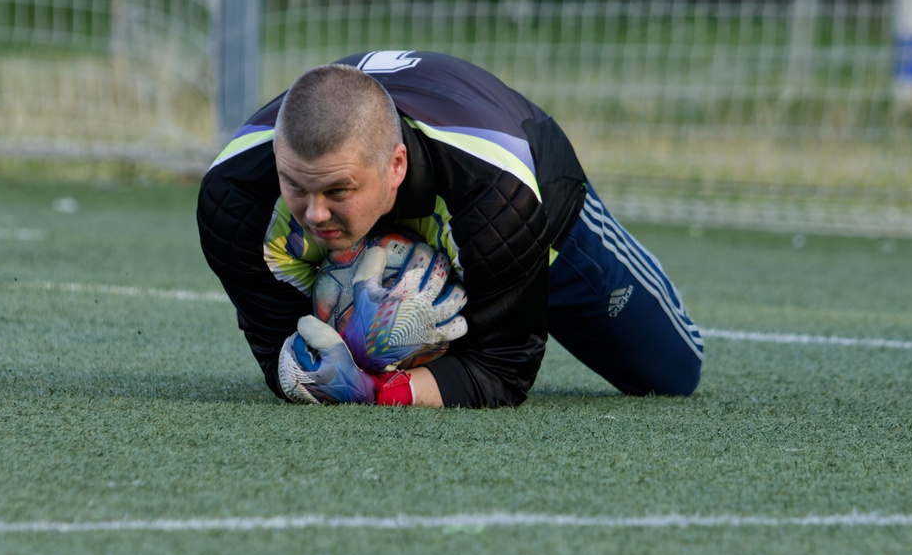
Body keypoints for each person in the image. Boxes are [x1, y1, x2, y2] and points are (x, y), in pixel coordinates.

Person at [198, 51, 705, 407]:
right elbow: (281, 353)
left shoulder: (498, 196)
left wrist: (380, 390)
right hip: (459, 212)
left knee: (671, 373)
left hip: (535, 208)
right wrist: (332, 371)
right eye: (295, 186)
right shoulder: (235, 200)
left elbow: (504, 369)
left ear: (396, 166)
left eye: (338, 191)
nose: (313, 214)